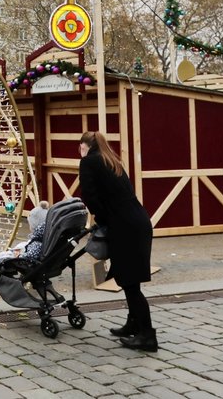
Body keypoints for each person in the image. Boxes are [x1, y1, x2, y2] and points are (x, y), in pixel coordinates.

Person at [79, 130, 157, 352]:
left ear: (84, 146)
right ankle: (133, 325)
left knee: (130, 284)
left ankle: (147, 336)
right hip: (139, 222)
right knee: (130, 280)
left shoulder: (89, 162)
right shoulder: (112, 161)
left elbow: (90, 197)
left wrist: (104, 221)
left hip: (123, 227)